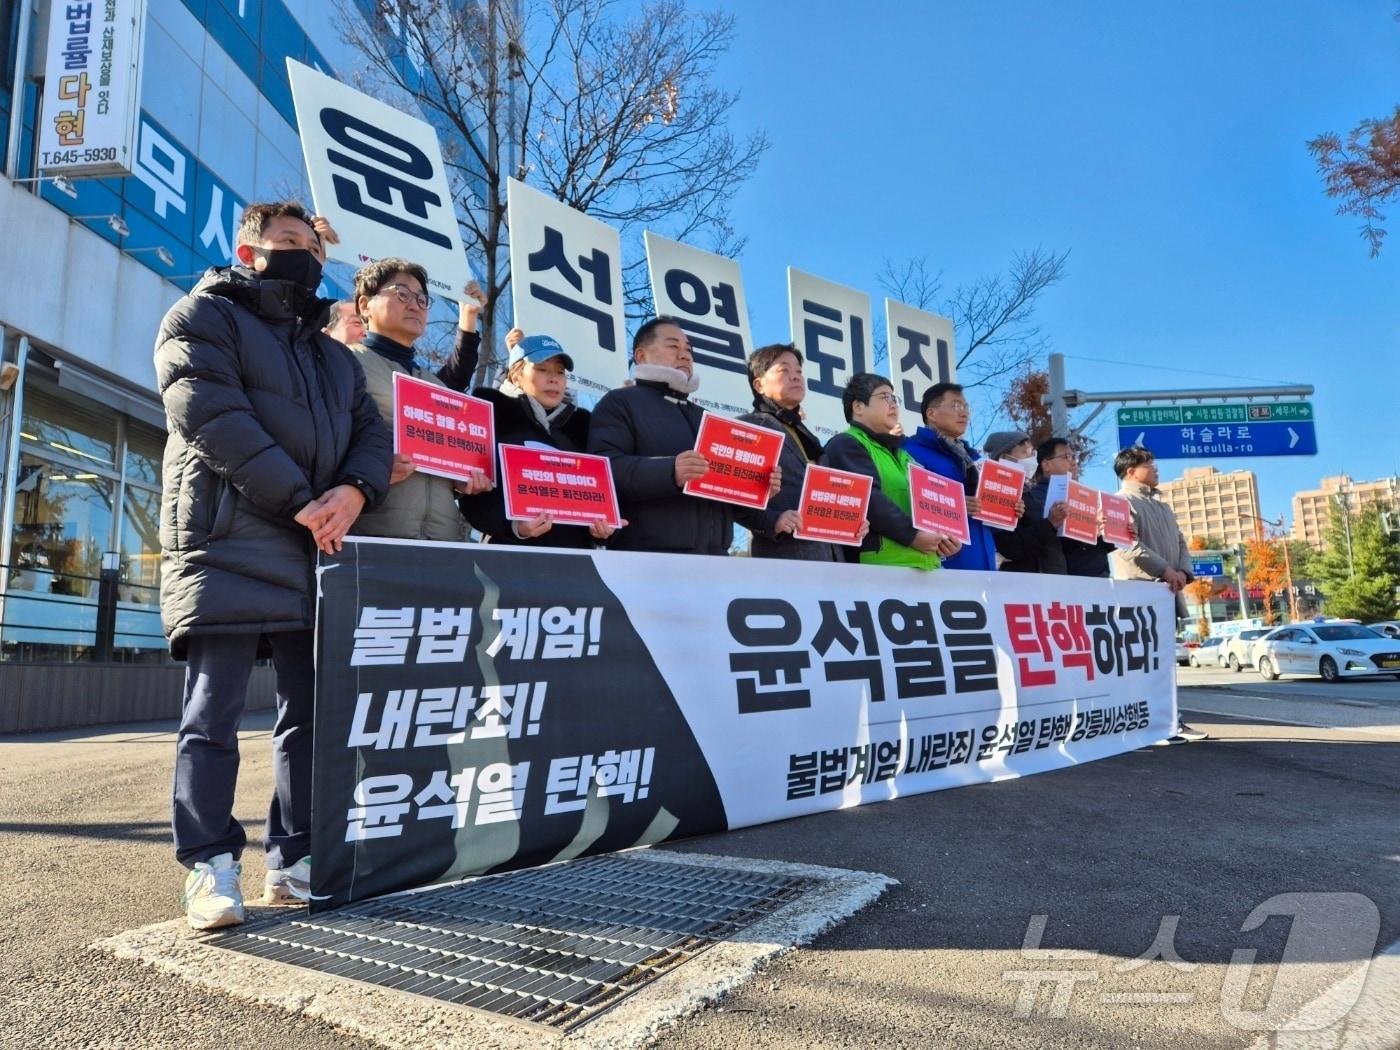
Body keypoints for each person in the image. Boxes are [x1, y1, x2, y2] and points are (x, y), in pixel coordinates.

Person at [154, 201, 392, 929]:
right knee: (212, 714)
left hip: (314, 548)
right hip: (227, 540)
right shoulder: (202, 316)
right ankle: (208, 863)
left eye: (310, 245)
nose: (301, 254)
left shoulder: (331, 355)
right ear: (247, 249)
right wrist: (304, 501)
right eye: (286, 241)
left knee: (309, 721)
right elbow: (210, 415)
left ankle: (293, 858)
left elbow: (369, 434)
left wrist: (352, 492)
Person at [588, 316, 779, 555]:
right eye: (673, 346)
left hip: (715, 558)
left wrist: (757, 488)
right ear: (641, 356)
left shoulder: (707, 418)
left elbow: (723, 496)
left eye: (688, 350)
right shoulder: (620, 402)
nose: (685, 355)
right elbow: (603, 470)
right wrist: (670, 471)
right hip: (645, 558)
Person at [345, 259, 492, 542]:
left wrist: (461, 478)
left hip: (443, 544)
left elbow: (446, 460)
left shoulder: (436, 385)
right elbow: (322, 445)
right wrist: (371, 469)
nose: (414, 305)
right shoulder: (345, 362)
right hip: (373, 539)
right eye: (401, 294)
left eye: (422, 299)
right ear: (365, 305)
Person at [460, 332, 620, 547]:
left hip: (576, 564)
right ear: (516, 375)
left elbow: (595, 505)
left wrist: (601, 531)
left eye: (560, 372)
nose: (553, 378)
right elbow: (474, 501)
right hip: (511, 561)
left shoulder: (581, 430)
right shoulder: (492, 417)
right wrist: (516, 527)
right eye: (542, 369)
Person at [1110, 446, 1206, 744]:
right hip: (1139, 595)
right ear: (1130, 470)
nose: (1155, 467)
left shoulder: (1162, 505)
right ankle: (1148, 725)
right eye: (1149, 462)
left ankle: (1170, 720)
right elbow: (1128, 545)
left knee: (1164, 663)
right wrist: (1167, 570)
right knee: (1143, 663)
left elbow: (1180, 541)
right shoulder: (1120, 502)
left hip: (1166, 592)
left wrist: (1184, 573)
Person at [820, 373, 959, 569]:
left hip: (925, 570)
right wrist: (913, 536)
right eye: (885, 397)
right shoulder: (846, 444)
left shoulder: (903, 455)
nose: (893, 404)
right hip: (879, 572)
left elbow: (929, 505)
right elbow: (868, 498)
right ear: (858, 406)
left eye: (895, 398)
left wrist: (945, 538)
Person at [734, 343, 847, 560]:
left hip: (831, 560)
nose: (795, 377)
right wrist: (772, 521)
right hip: (784, 557)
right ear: (759, 385)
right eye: (784, 370)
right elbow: (730, 498)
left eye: (798, 371)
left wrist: (850, 523)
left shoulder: (809, 437)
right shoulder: (748, 428)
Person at [903, 382, 1022, 570]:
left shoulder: (975, 460)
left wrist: (1007, 510)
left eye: (966, 407)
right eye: (956, 406)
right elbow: (905, 503)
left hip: (983, 564)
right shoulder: (910, 452)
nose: (964, 413)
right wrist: (955, 505)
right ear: (931, 413)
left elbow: (985, 519)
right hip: (939, 566)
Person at [1034, 436, 1120, 577]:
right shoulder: (1034, 499)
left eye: (1074, 457)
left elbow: (1096, 547)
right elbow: (1042, 543)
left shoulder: (1086, 497)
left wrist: (1113, 533)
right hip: (1068, 583)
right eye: (1067, 457)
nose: (1074, 463)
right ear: (1046, 465)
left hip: (1099, 579)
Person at [986, 431, 1067, 574]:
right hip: (1025, 585)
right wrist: (1050, 523)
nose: (1032, 459)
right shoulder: (995, 493)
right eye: (1026, 452)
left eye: (1033, 452)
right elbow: (1010, 546)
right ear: (1005, 458)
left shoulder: (1029, 495)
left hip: (1052, 581)